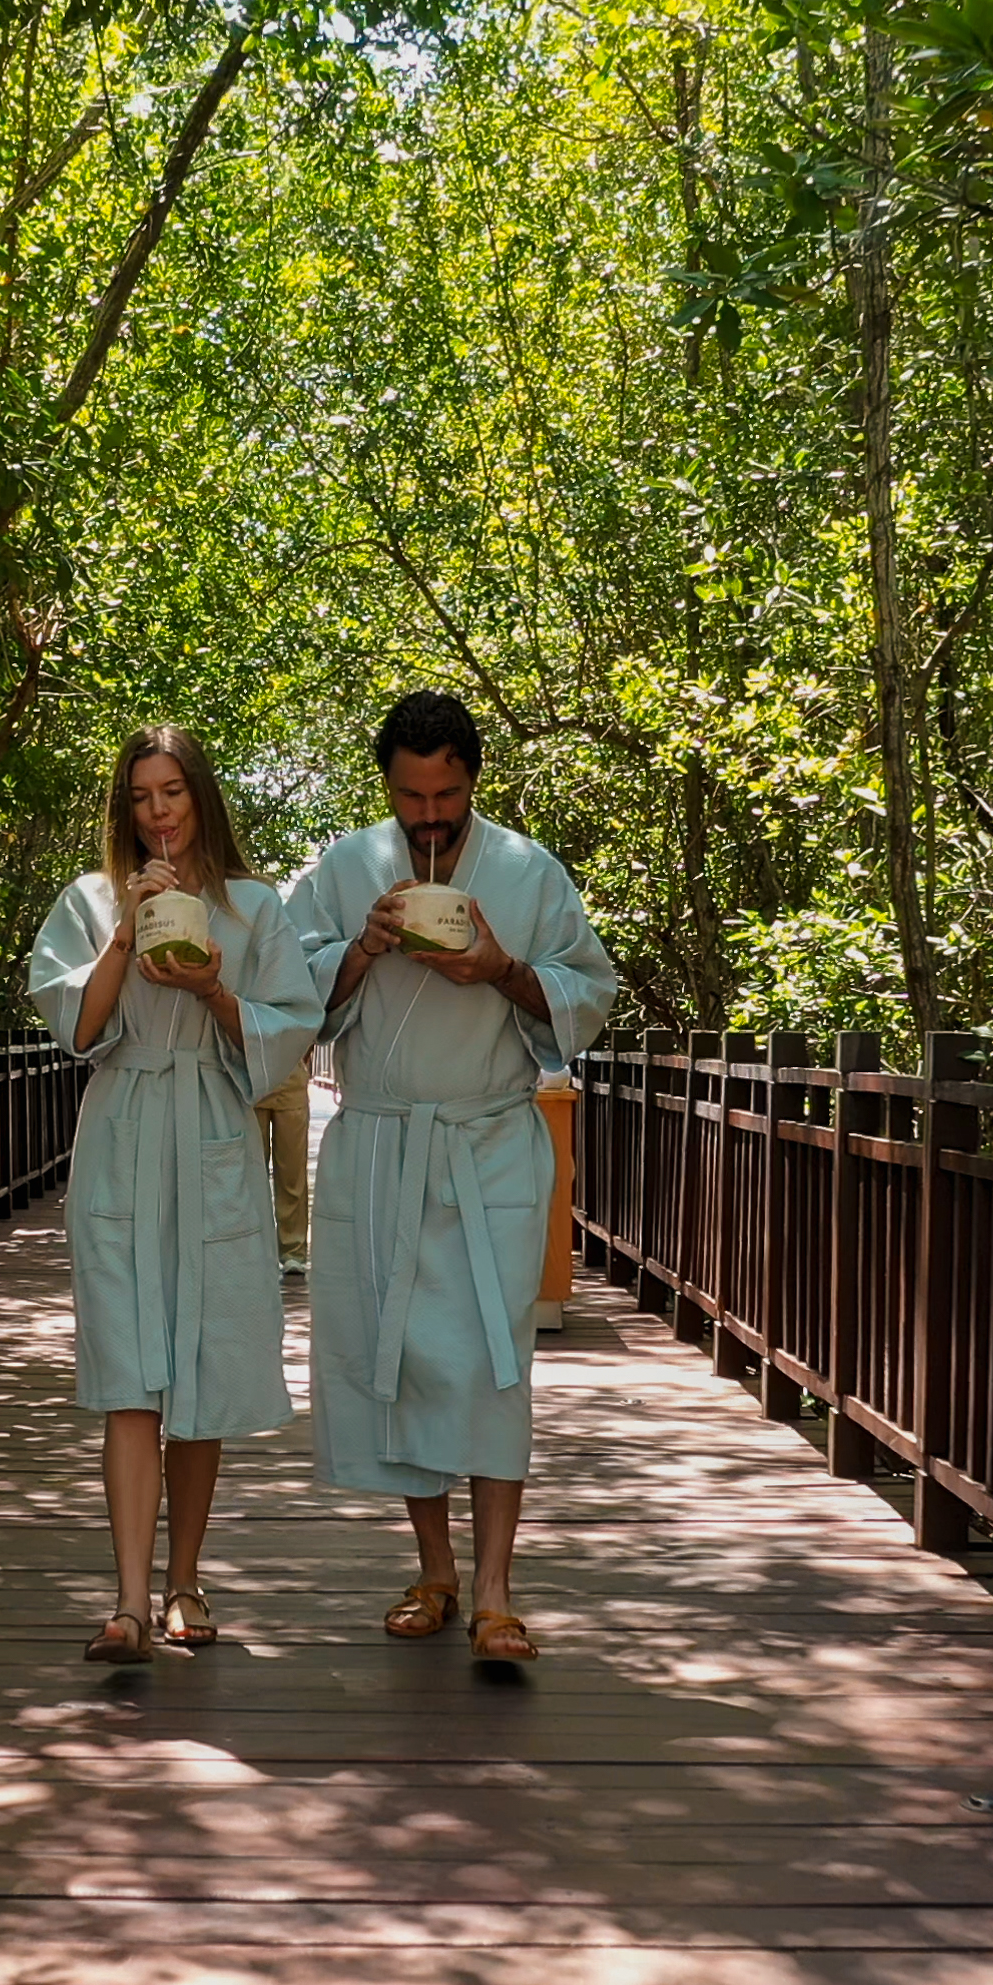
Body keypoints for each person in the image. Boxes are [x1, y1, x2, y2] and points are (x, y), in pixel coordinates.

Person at [288, 691, 618, 1663]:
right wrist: (360, 951)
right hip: (383, 1145)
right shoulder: (345, 867)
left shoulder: (525, 869)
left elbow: (587, 989)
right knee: (408, 1363)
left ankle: (498, 1591)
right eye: (411, 796)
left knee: (487, 1361)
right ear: (386, 784)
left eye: (448, 795)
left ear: (475, 779)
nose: (429, 816)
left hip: (489, 1146)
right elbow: (283, 989)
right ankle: (433, 1570)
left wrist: (502, 970)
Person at [27, 727, 321, 1665]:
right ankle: (126, 1603)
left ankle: (185, 1581)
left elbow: (287, 1042)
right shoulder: (87, 902)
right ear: (125, 811)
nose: (158, 812)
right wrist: (125, 933)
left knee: (200, 1367)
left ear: (202, 797)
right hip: (121, 1133)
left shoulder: (252, 906)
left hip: (212, 1132)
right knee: (129, 1373)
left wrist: (212, 988)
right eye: (141, 797)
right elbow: (74, 1025)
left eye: (173, 793)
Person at [252, 1051, 313, 1275]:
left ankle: (293, 1251)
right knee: (253, 1174)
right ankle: (255, 1245)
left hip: (291, 1081)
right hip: (254, 1082)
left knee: (292, 1173)